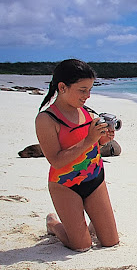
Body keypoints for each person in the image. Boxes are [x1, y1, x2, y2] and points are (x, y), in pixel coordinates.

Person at [35, 59, 119, 251]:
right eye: (82, 90)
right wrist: (90, 139)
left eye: (90, 89)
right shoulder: (46, 119)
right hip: (65, 185)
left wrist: (104, 139)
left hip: (94, 179)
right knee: (80, 246)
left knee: (110, 242)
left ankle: (92, 221)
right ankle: (54, 224)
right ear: (62, 87)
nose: (88, 96)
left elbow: (94, 145)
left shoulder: (87, 113)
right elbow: (56, 161)